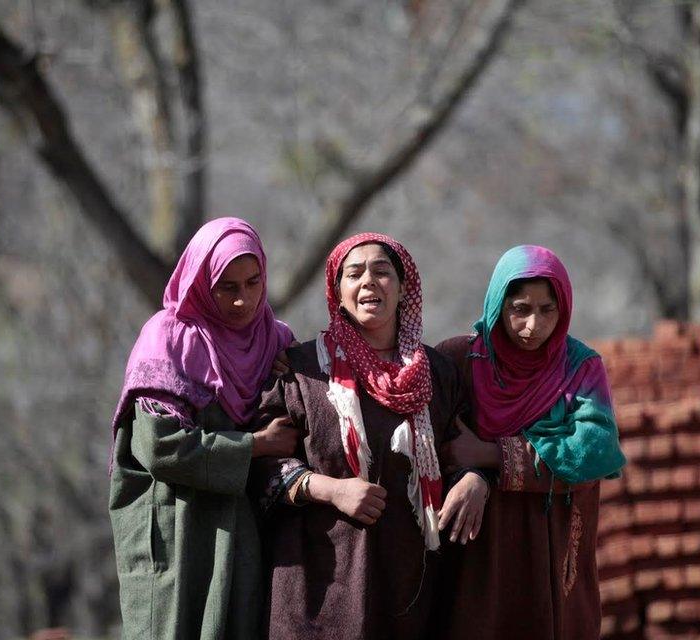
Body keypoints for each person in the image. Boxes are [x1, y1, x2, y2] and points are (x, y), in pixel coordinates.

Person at [249, 232, 487, 640]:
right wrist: (328, 489)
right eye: (354, 273)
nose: (369, 282)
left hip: (409, 587)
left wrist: (476, 479)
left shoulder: (437, 374)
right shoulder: (302, 370)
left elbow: (460, 448)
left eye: (382, 272)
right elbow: (262, 462)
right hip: (317, 588)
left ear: (403, 287)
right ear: (337, 291)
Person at [108, 217, 298, 640]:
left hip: (242, 533)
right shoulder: (168, 339)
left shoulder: (276, 341)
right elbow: (161, 448)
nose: (242, 301)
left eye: (253, 283)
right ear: (200, 283)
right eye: (227, 287)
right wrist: (254, 446)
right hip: (176, 525)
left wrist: (290, 379)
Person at [435, 244, 627, 640]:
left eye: (547, 310)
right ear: (497, 305)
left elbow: (594, 451)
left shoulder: (579, 367)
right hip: (477, 552)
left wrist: (492, 455)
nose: (533, 326)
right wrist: (475, 475)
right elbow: (438, 441)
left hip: (552, 547)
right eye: (520, 309)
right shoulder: (457, 361)